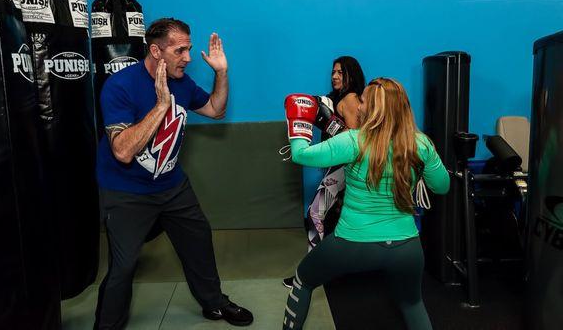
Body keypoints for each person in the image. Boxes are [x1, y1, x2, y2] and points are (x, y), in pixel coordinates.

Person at [94, 18, 253, 329]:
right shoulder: (120, 86)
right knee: (123, 267)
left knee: (199, 240)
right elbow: (122, 152)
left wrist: (221, 73)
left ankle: (214, 303)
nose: (189, 58)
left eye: (189, 49)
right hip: (126, 191)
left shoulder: (182, 83)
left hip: (172, 185)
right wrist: (161, 106)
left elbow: (215, 110)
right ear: (156, 50)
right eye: (180, 50)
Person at [282, 78, 450, 330]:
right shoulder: (420, 144)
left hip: (353, 244)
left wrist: (299, 124)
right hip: (406, 248)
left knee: (303, 279)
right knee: (412, 304)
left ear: (373, 110)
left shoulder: (353, 141)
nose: (357, 105)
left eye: (362, 100)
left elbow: (300, 154)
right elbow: (442, 186)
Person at [283, 56, 366, 289]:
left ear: (352, 74)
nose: (335, 76)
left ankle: (310, 274)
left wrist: (330, 124)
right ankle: (333, 269)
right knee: (331, 218)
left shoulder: (350, 99)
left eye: (341, 72)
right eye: (333, 72)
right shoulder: (337, 99)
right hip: (340, 167)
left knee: (315, 214)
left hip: (345, 167)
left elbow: (356, 139)